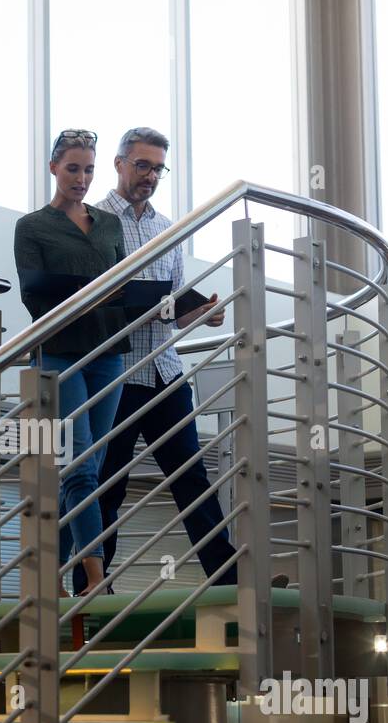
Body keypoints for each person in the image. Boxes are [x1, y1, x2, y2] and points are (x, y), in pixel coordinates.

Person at [73, 126, 248, 593]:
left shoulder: (166, 227)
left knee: (192, 479)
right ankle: (91, 586)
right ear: (119, 164)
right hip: (118, 373)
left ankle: (229, 580)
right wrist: (161, 305)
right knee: (107, 481)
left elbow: (168, 301)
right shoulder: (91, 219)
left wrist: (198, 313)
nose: (149, 175)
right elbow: (96, 299)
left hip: (165, 372)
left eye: (157, 168)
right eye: (141, 165)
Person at [14, 130, 131, 597]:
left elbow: (123, 287)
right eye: (72, 169)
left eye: (88, 170)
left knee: (88, 469)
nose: (81, 179)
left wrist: (172, 306)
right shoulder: (32, 226)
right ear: (53, 169)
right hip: (60, 352)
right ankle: (95, 576)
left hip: (107, 354)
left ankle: (54, 571)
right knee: (79, 464)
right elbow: (32, 296)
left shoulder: (108, 225)